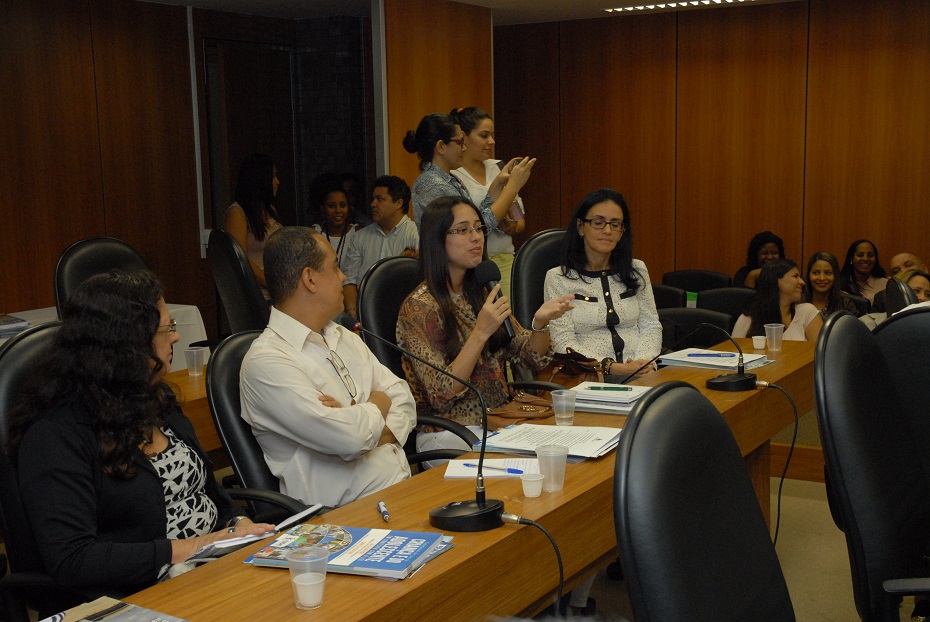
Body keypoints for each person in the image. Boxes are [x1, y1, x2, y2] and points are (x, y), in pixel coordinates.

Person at [7, 270, 273, 599]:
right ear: (127, 344)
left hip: (214, 570)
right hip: (139, 594)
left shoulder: (155, 399)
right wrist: (192, 547)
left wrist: (238, 523)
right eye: (167, 329)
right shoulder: (56, 435)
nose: (176, 337)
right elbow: (72, 559)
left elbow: (210, 492)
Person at [240, 226, 416, 508]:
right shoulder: (266, 362)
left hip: (402, 489)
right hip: (343, 517)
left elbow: (404, 399)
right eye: (335, 267)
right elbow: (351, 438)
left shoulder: (343, 335)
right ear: (310, 279)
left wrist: (356, 419)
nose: (343, 277)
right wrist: (378, 402)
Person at [396, 195, 574, 443]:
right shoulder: (419, 308)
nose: (476, 237)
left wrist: (540, 324)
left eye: (479, 228)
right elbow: (441, 395)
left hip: (499, 419)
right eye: (463, 230)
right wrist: (480, 333)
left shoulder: (481, 291)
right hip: (450, 431)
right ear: (437, 239)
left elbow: (529, 356)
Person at [543, 189, 663, 379]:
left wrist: (644, 363)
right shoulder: (558, 278)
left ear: (622, 232)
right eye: (598, 223)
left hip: (642, 373)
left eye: (615, 224)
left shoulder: (637, 270)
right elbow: (562, 341)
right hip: (589, 377)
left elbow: (651, 325)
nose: (607, 230)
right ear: (580, 227)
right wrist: (612, 368)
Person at [402, 112, 534, 231]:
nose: (464, 148)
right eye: (459, 142)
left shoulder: (449, 177)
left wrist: (499, 183)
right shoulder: (432, 185)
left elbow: (478, 218)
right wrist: (513, 187)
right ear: (441, 147)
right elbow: (474, 229)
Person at [450, 107, 525, 298]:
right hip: (469, 264)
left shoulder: (498, 167)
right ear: (464, 137)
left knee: (508, 314)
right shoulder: (453, 175)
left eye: (492, 135)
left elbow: (519, 216)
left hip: (505, 259)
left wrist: (513, 225)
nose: (491, 142)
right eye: (484, 136)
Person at [341, 175, 419, 319]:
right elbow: (349, 279)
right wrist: (352, 310)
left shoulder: (417, 236)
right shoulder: (359, 237)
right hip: (365, 314)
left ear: (398, 203)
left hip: (405, 315)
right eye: (373, 199)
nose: (373, 204)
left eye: (380, 199)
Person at [223, 153, 283, 299]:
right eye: (272, 177)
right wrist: (272, 284)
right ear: (260, 180)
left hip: (277, 290)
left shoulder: (269, 209)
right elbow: (240, 259)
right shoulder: (237, 213)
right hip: (256, 294)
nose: (277, 182)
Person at [732, 259, 823, 341]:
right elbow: (733, 352)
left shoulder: (807, 312)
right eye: (795, 276)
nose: (802, 282)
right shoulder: (747, 320)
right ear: (777, 281)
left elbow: (821, 352)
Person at [312, 180, 358, 268]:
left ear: (348, 207)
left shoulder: (358, 233)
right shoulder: (314, 233)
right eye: (331, 206)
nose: (338, 210)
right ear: (322, 208)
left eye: (342, 205)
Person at [801, 251, 860, 317]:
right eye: (816, 273)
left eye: (828, 273)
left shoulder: (846, 305)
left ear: (835, 276)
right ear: (808, 275)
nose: (822, 278)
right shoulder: (798, 302)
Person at [839, 239, 888, 304]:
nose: (865, 259)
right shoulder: (838, 283)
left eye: (870, 255)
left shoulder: (885, 284)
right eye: (860, 255)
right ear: (851, 258)